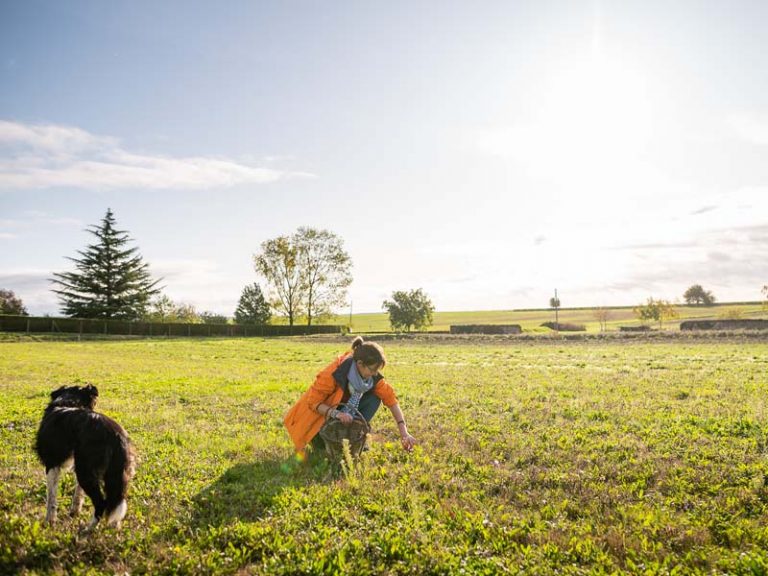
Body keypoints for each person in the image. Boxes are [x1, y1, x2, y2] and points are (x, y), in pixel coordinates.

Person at [284, 336, 417, 459]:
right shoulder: (335, 372)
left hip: (344, 413)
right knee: (322, 448)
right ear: (360, 364)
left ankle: (354, 435)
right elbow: (313, 402)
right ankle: (326, 438)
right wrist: (336, 414)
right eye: (372, 370)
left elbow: (391, 400)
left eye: (377, 371)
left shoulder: (371, 376)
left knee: (374, 398)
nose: (374, 374)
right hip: (318, 420)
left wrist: (404, 433)